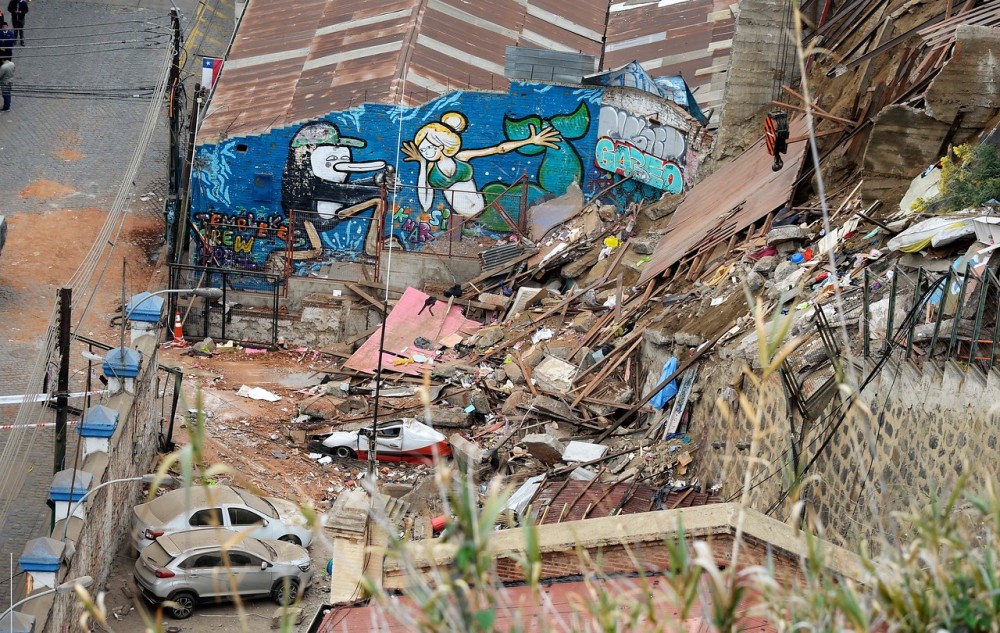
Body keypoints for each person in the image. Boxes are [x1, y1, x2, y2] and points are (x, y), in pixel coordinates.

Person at [401, 112, 561, 217]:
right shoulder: (430, 168)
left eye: (429, 148)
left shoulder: (461, 157)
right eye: (422, 150)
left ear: (441, 145)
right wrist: (422, 164)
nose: (426, 153)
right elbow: (426, 204)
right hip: (465, 217)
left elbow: (498, 149)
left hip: (482, 208)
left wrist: (529, 140)